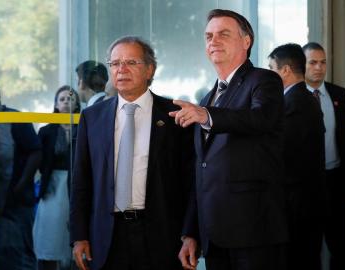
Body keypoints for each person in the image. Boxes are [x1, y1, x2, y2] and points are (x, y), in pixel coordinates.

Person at [170, 9, 288, 270]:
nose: (214, 41)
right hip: (214, 234)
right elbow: (200, 170)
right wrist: (191, 232)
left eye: (224, 34)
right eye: (208, 36)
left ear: (246, 41)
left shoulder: (264, 80)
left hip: (253, 230)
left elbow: (261, 119)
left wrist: (206, 116)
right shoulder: (206, 99)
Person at [70, 36, 195, 270]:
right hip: (106, 236)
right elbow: (81, 181)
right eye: (115, 63)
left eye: (131, 62)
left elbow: (191, 182)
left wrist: (190, 233)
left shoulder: (175, 115)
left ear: (150, 69)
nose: (121, 70)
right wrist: (79, 235)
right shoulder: (92, 117)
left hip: (162, 236)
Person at [303, 42, 345, 270]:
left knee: (339, 244)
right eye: (313, 62)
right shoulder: (292, 97)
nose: (319, 67)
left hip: (336, 179)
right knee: (309, 245)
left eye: (323, 62)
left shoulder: (339, 94)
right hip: (307, 185)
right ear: (303, 65)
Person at [268, 43, 326, 270]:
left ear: (285, 70)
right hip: (304, 204)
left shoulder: (295, 103)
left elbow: (283, 153)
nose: (270, 73)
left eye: (272, 68)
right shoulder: (302, 99)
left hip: (299, 207)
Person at [0, 81, 42, 270]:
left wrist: (20, 187)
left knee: (21, 256)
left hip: (16, 201)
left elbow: (36, 152)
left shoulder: (14, 118)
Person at [33, 85, 81, 270]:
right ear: (55, 104)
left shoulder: (84, 127)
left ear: (77, 103)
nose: (66, 102)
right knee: (50, 230)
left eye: (70, 98)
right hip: (53, 185)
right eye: (62, 99)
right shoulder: (47, 131)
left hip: (76, 183)